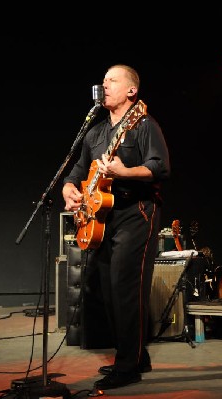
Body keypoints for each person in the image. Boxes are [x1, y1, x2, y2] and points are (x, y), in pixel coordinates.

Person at [62, 64, 171, 389]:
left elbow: (160, 167)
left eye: (112, 80)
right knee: (108, 290)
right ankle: (136, 355)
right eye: (103, 80)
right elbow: (78, 170)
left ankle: (128, 366)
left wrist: (125, 172)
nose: (104, 85)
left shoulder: (143, 124)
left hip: (136, 212)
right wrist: (69, 189)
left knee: (126, 287)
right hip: (102, 218)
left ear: (131, 91)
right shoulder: (95, 132)